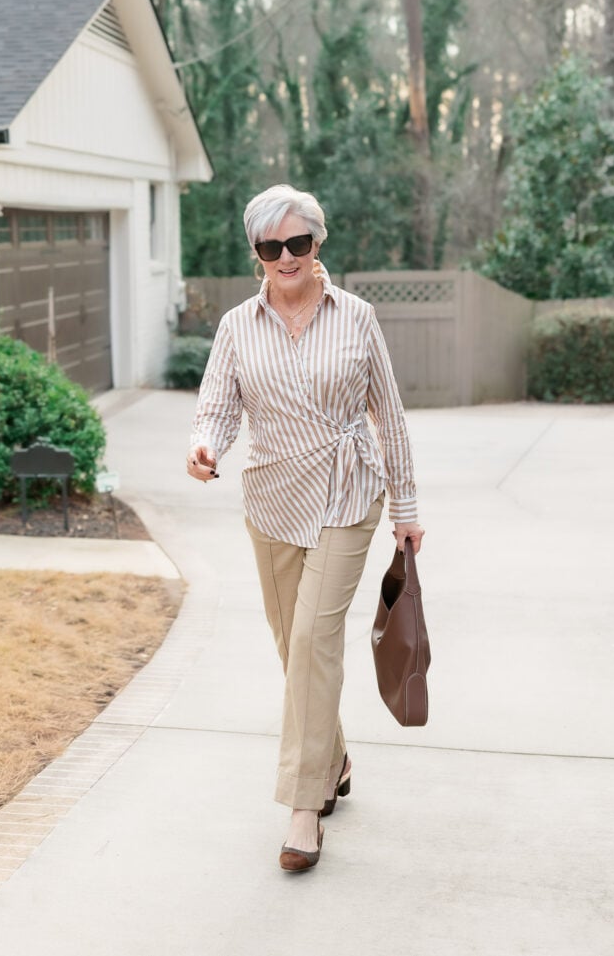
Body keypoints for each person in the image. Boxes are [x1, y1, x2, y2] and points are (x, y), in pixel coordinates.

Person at [187, 183, 424, 872]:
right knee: (294, 648)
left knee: (316, 637)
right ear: (257, 252)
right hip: (271, 499)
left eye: (298, 242)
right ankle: (335, 754)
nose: (286, 256)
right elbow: (217, 407)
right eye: (271, 246)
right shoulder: (237, 326)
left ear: (318, 243)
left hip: (348, 494)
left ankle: (303, 805)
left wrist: (406, 507)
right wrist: (205, 446)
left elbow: (391, 413)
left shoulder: (357, 316)